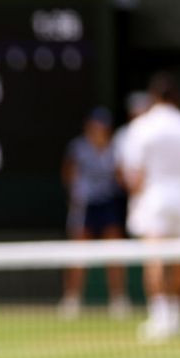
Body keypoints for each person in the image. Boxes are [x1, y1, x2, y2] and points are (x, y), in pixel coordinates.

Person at [121, 72, 180, 342]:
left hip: (154, 201)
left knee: (156, 258)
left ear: (154, 97)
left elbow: (134, 175)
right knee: (179, 259)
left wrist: (136, 200)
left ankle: (162, 316)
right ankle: (175, 316)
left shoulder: (141, 126)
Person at [59, 107, 131, 320]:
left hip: (108, 204)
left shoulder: (115, 148)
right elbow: (68, 175)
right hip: (85, 206)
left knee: (114, 254)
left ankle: (118, 300)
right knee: (78, 255)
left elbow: (121, 176)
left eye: (103, 125)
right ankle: (71, 300)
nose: (99, 129)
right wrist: (77, 196)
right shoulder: (78, 148)